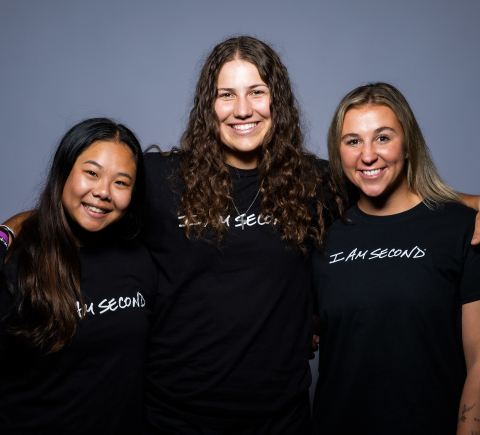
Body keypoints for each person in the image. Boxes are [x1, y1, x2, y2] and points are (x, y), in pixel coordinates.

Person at [141, 36, 342, 434]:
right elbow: (72, 207)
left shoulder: (315, 182)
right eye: (226, 95)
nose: (243, 110)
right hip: (175, 418)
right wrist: (9, 232)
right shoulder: (160, 179)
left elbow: (394, 192)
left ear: (277, 102)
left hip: (281, 419)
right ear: (208, 107)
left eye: (256, 92)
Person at [312, 83, 480, 435]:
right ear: (338, 151)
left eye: (383, 137)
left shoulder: (461, 229)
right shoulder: (323, 238)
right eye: (353, 141)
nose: (368, 155)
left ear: (408, 146)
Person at [0, 118, 157, 434]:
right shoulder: (16, 263)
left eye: (121, 182)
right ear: (64, 172)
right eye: (92, 173)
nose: (103, 192)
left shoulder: (141, 259)